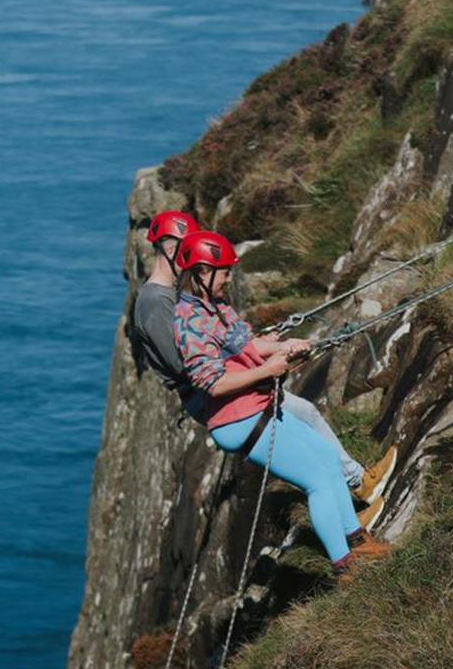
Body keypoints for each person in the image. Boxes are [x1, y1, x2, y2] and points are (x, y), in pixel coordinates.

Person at [131, 211, 396, 510]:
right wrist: (257, 361)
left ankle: (358, 483)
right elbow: (187, 365)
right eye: (186, 249)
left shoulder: (172, 294)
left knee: (306, 415)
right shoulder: (155, 305)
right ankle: (353, 502)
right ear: (169, 250)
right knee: (303, 448)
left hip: (220, 387)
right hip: (213, 395)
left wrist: (256, 346)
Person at [170, 229, 393, 576]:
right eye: (224, 271)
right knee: (317, 480)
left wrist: (284, 347)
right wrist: (266, 371)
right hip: (237, 420)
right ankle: (344, 566)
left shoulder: (213, 307)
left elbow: (247, 347)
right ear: (201, 272)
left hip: (253, 406)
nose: (229, 278)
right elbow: (212, 384)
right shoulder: (189, 322)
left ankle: (356, 538)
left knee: (328, 460)